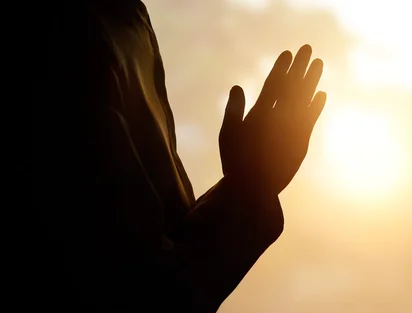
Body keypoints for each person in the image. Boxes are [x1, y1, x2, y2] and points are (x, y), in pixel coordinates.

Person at [36, 1, 326, 311]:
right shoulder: (76, 39)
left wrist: (246, 185)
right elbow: (138, 290)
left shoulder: (125, 22)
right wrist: (250, 189)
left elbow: (159, 238)